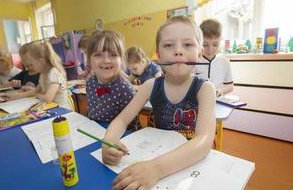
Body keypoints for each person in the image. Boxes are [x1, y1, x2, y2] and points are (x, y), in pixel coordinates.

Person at [102, 16, 216, 190]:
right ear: (158, 54)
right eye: (169, 45)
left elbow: (205, 140)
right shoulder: (150, 86)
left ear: (199, 53)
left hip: (189, 163)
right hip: (156, 159)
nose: (178, 51)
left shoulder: (205, 89)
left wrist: (155, 169)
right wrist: (109, 140)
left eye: (187, 44)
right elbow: (122, 119)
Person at [86, 30, 140, 130]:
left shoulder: (125, 90)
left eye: (113, 55)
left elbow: (131, 128)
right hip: (93, 133)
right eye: (98, 55)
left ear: (121, 59)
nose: (106, 60)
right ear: (89, 60)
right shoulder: (90, 83)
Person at [2, 41, 73, 110]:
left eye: (31, 65)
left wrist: (36, 96)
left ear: (41, 61)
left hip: (62, 110)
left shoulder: (53, 72)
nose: (28, 68)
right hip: (51, 107)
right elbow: (37, 90)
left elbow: (48, 98)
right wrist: (15, 96)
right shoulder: (43, 73)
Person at [194, 19, 233, 97]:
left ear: (220, 42)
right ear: (199, 42)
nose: (210, 49)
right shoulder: (194, 61)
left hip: (217, 101)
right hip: (197, 101)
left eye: (215, 45)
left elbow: (230, 86)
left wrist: (220, 91)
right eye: (205, 45)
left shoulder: (225, 62)